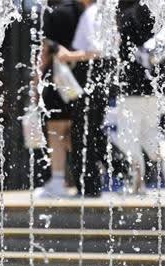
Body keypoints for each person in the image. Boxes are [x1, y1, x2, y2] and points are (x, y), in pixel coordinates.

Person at [57, 0, 129, 197]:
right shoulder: (102, 13)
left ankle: (91, 185)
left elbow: (98, 51)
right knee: (92, 130)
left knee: (83, 131)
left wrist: (69, 56)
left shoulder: (93, 14)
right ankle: (120, 168)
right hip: (102, 76)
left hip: (94, 75)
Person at [33, 0, 85, 198]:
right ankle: (83, 177)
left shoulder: (56, 14)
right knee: (76, 131)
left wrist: (35, 82)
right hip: (82, 80)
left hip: (59, 81)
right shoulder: (87, 12)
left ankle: (57, 181)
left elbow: (45, 51)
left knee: (56, 131)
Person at [116, 1, 158, 193]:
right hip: (153, 88)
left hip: (132, 89)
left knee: (129, 137)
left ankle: (138, 183)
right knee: (150, 135)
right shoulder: (156, 16)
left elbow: (122, 52)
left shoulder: (129, 17)